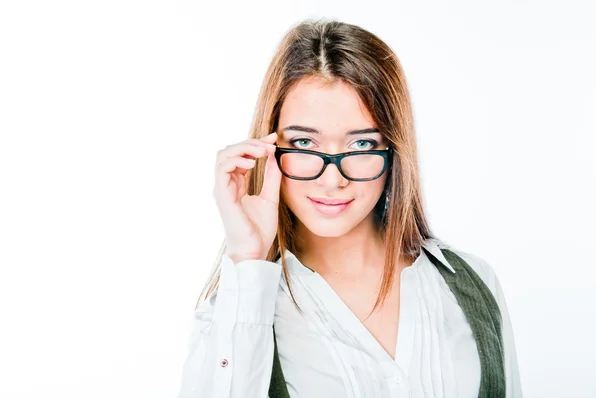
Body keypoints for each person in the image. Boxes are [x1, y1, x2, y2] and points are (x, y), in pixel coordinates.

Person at [177, 18, 522, 398]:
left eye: (360, 146)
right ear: (269, 147)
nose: (332, 179)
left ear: (393, 152)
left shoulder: (471, 283)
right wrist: (247, 257)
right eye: (305, 144)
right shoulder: (236, 308)